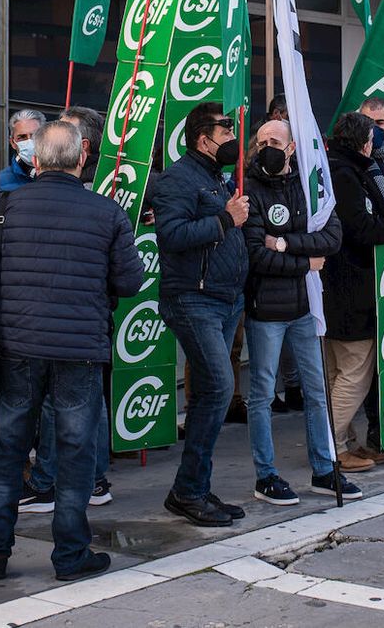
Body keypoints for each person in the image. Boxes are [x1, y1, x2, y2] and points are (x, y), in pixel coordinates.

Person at [0, 120, 143, 582]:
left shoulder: (3, 207)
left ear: (37, 159)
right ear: (82, 158)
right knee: (75, 451)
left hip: (16, 349)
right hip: (79, 349)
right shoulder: (107, 213)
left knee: (8, 451)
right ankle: (70, 555)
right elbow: (129, 281)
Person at [241, 119, 358, 504]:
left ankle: (324, 470)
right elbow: (256, 253)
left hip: (305, 307)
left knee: (316, 391)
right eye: (262, 141)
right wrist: (305, 263)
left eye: (275, 140)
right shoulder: (250, 189)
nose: (268, 146)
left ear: (292, 147)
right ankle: (266, 475)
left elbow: (332, 237)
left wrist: (285, 244)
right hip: (266, 310)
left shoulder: (309, 185)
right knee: (260, 394)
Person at [149, 102, 250, 527]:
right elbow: (170, 236)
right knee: (219, 389)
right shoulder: (178, 179)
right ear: (203, 139)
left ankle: (196, 487)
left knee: (212, 392)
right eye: (227, 133)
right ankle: (187, 491)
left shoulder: (215, 176)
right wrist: (226, 221)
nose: (233, 140)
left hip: (225, 299)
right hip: (194, 298)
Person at [18, 104, 115, 514]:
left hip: (72, 327)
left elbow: (125, 275)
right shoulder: (17, 201)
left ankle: (60, 483)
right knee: (80, 403)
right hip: (72, 326)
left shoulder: (102, 198)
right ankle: (88, 480)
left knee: (69, 406)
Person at [322, 111, 384, 472]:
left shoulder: (335, 167)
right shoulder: (344, 174)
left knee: (337, 371)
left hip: (337, 285)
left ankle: (341, 444)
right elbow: (360, 228)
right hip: (349, 285)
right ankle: (330, 447)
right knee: (354, 371)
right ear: (363, 143)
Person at [0, 109, 46, 193]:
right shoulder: (0, 182)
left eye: (35, 135)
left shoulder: (59, 177)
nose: (29, 141)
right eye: (22, 137)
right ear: (13, 143)